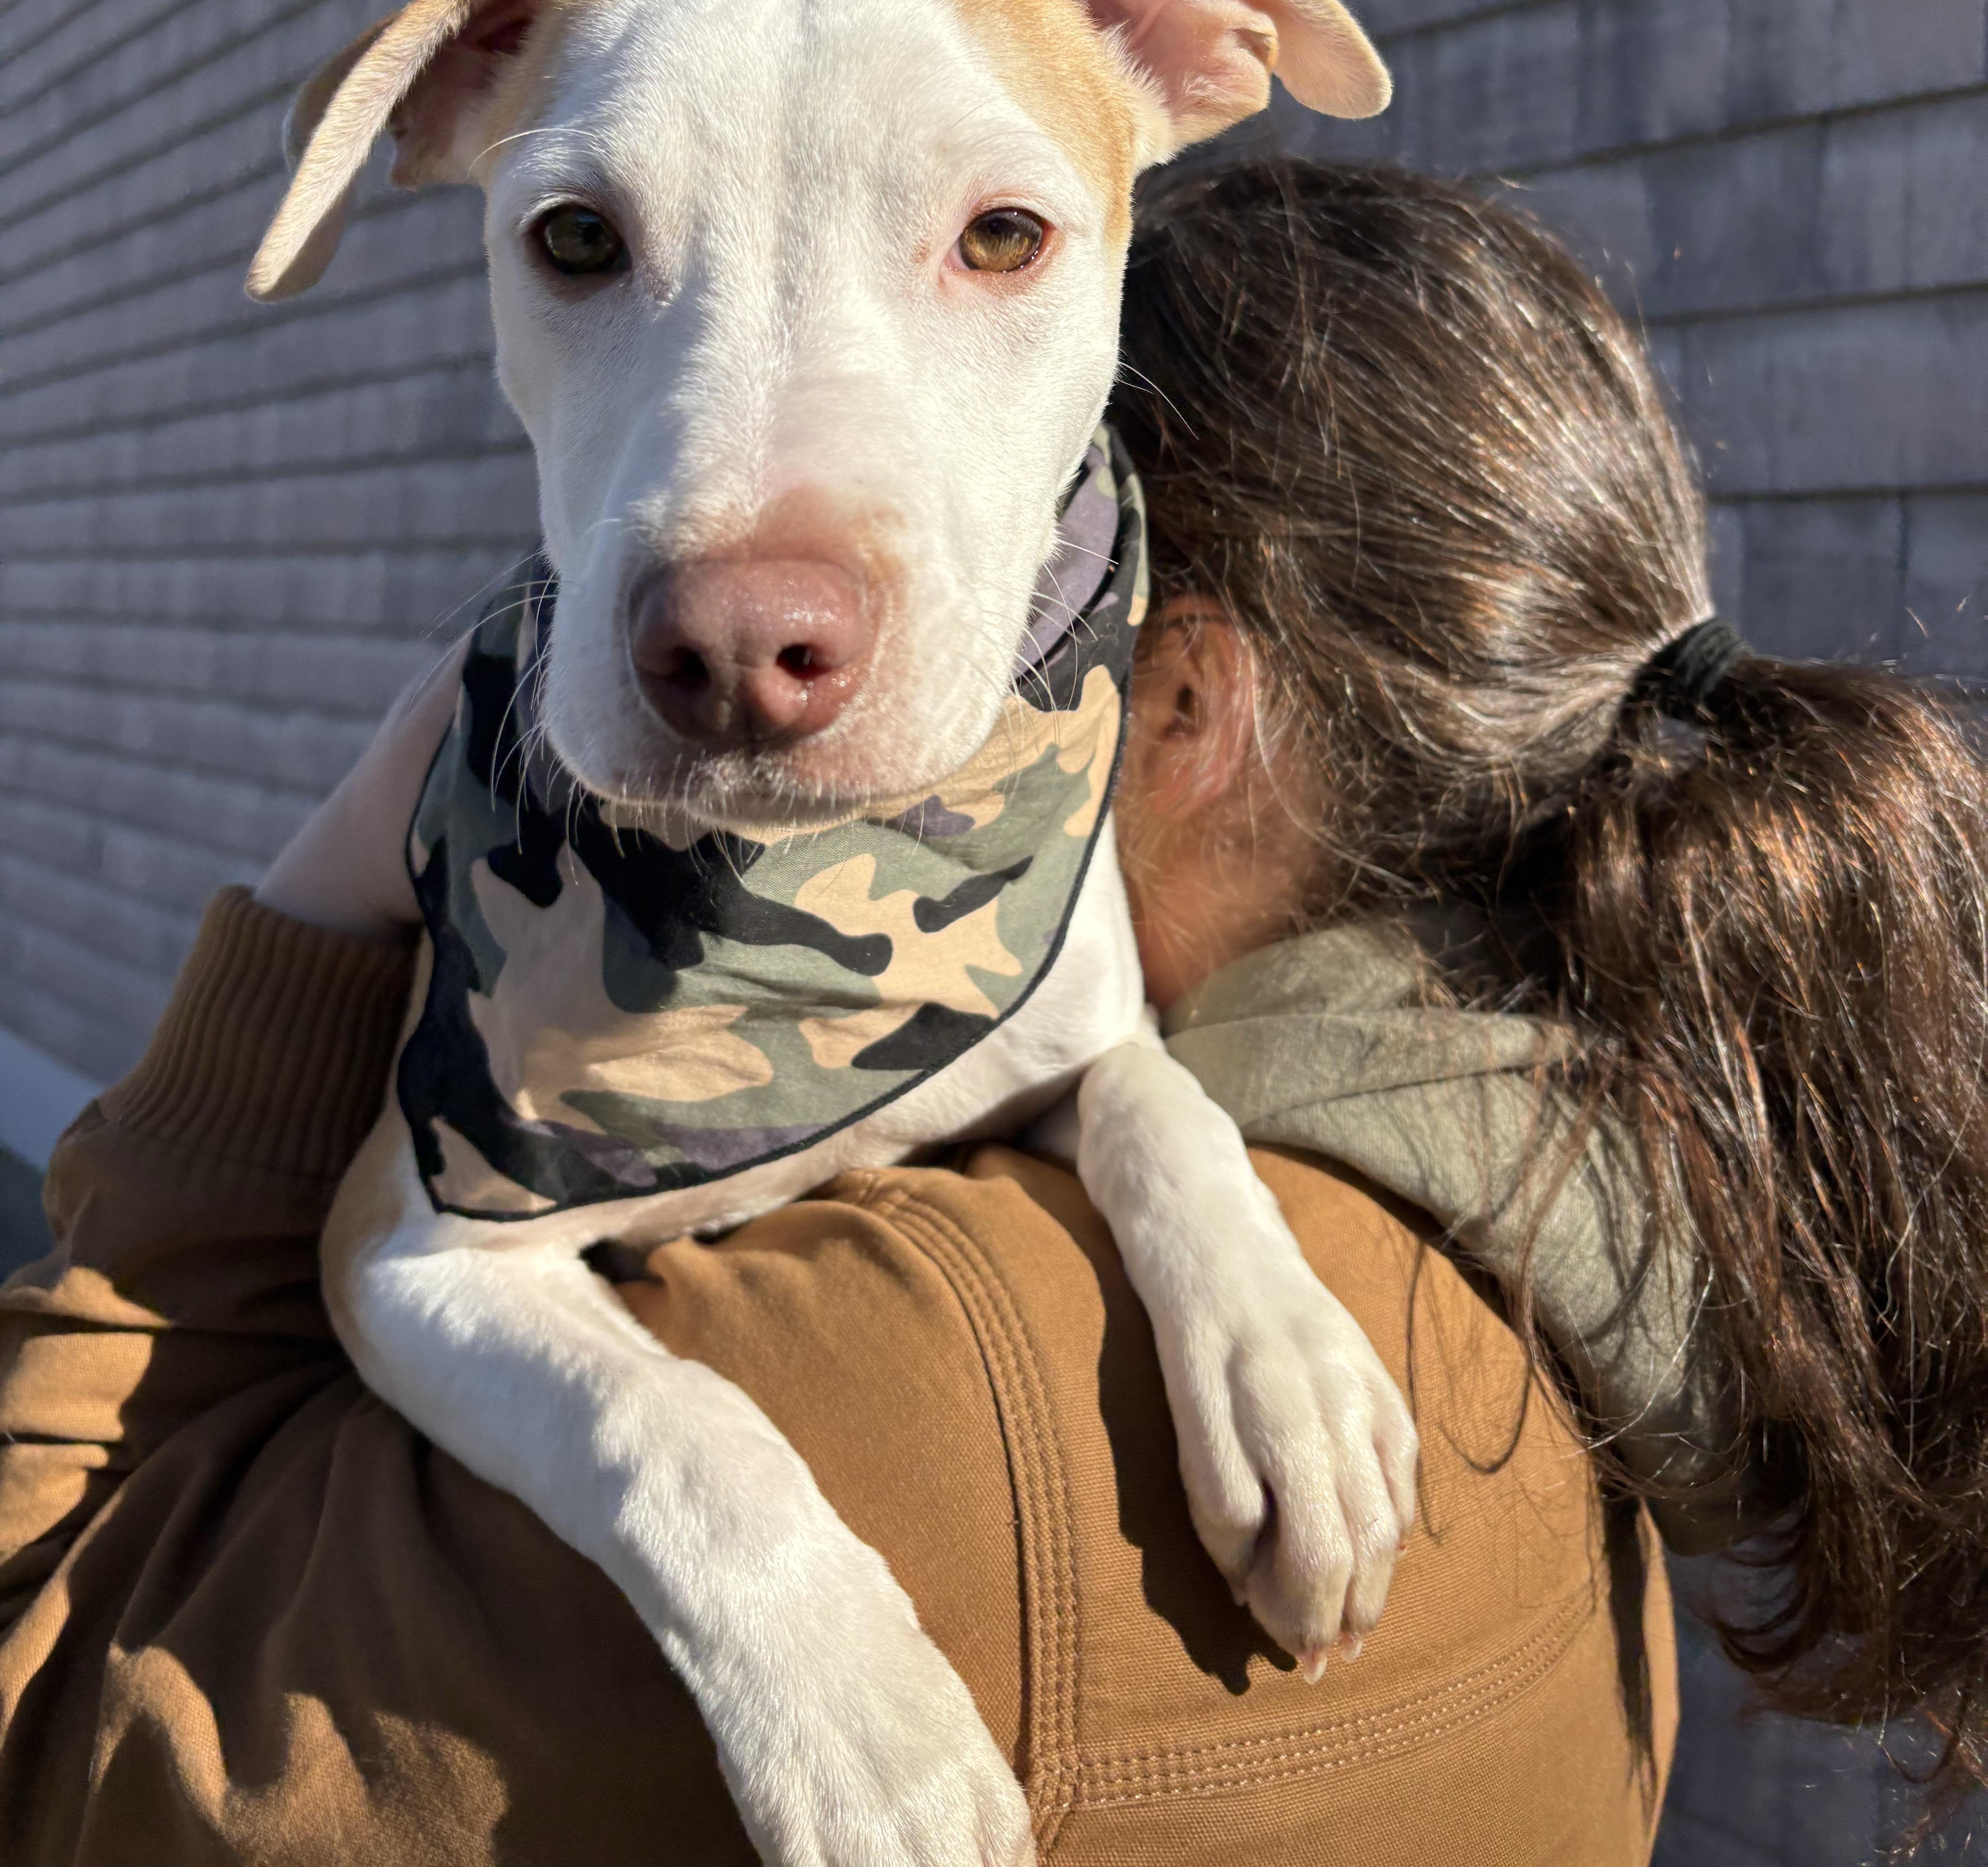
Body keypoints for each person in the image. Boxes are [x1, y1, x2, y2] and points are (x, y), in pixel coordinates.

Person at [6, 156, 1977, 1858]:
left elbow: (55, 1693)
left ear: (1181, 707)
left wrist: (311, 913)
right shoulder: (1605, 1315)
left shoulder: (927, 1410)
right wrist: (1145, 1131)